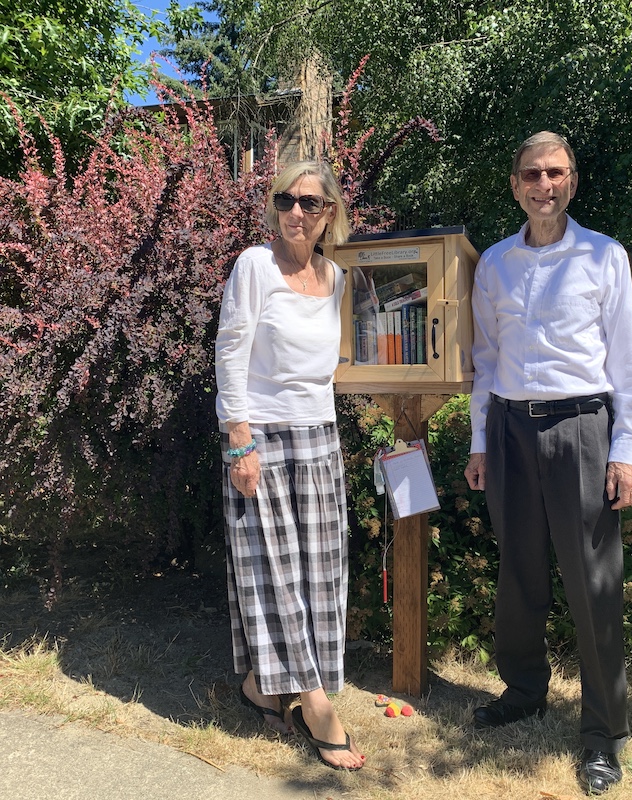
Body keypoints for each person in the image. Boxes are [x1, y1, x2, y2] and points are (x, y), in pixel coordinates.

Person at [464, 132, 632, 794]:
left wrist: (627, 452)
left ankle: (602, 733)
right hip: (510, 429)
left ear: (571, 182)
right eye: (531, 174)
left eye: (556, 173)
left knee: (592, 585)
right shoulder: (494, 264)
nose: (544, 184)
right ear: (515, 185)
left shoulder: (604, 257)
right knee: (517, 574)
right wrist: (478, 443)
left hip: (581, 428)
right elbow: (485, 361)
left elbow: (630, 364)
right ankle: (523, 692)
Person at [214, 160, 365, 771]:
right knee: (276, 573)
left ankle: (260, 685)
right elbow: (230, 352)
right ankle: (316, 704)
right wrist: (239, 443)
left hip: (320, 438)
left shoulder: (337, 278)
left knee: (323, 575)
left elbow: (348, 358)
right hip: (264, 438)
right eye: (286, 200)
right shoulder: (254, 266)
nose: (296, 213)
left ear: (329, 213)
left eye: (310, 203)